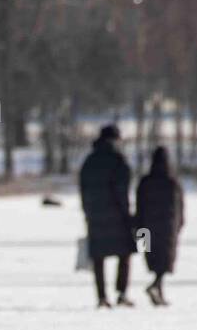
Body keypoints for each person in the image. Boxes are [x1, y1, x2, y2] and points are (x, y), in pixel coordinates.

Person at [79, 124, 137, 308]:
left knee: (98, 257)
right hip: (118, 216)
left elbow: (83, 189)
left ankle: (101, 296)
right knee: (125, 254)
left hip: (95, 216)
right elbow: (122, 191)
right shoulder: (119, 160)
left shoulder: (89, 161)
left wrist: (87, 212)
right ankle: (121, 293)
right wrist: (127, 214)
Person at [135, 147, 185, 306]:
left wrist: (139, 227)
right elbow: (179, 206)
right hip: (167, 227)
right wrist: (179, 224)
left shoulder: (145, 182)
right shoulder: (172, 182)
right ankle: (156, 285)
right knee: (164, 260)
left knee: (152, 258)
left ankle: (158, 289)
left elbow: (139, 205)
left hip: (147, 228)